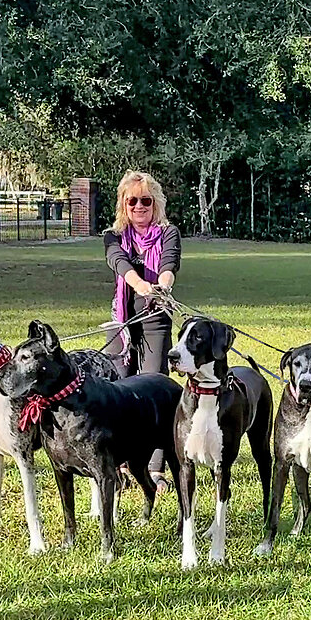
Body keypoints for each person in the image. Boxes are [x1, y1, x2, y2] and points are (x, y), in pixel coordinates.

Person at [103, 171, 182, 487]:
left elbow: (169, 265)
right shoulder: (113, 235)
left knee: (155, 390)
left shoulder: (168, 233)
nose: (139, 206)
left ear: (155, 202)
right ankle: (120, 465)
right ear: (124, 202)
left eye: (145, 200)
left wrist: (160, 287)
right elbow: (118, 262)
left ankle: (155, 467)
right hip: (121, 319)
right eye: (132, 200)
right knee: (118, 390)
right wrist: (139, 284)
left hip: (155, 318)